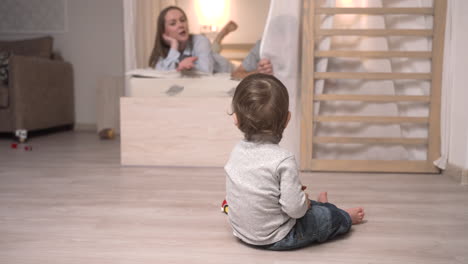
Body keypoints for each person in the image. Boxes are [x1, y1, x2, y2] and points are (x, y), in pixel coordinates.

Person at [225, 73, 365, 250]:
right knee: (322, 218)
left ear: (236, 119)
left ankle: (324, 205)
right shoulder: (283, 160)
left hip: (242, 232)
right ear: (287, 119)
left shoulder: (236, 151)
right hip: (277, 237)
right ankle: (344, 216)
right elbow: (295, 211)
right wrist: (303, 204)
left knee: (302, 201)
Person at [148, 6, 232, 73]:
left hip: (232, 73)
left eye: (183, 20)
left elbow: (206, 71)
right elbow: (160, 71)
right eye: (173, 23)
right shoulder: (163, 50)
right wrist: (174, 46)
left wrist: (184, 68)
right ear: (164, 31)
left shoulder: (200, 40)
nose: (181, 25)